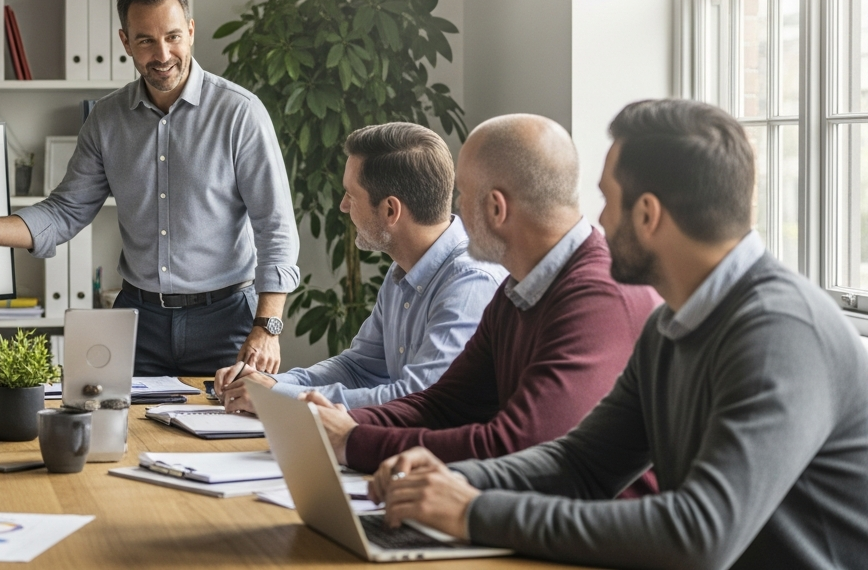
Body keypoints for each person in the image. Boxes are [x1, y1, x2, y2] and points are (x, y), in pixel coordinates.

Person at [368, 99, 868, 569]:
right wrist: (449, 479)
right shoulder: (670, 325)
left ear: (648, 215)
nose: (599, 220)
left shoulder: (781, 333)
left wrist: (472, 511)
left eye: (608, 200)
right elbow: (583, 462)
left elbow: (700, 534)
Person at [0, 0, 300, 376]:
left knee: (230, 436)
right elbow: (65, 211)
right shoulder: (106, 120)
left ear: (191, 31)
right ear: (125, 42)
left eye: (172, 36)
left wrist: (268, 326)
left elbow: (275, 226)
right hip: (138, 321)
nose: (162, 54)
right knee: (118, 434)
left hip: (226, 321)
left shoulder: (239, 113)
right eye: (146, 40)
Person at [301, 114, 659, 499]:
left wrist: (355, 441)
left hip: (587, 539)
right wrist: (344, 422)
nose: (451, 209)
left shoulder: (598, 299)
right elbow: (444, 404)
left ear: (495, 209)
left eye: (462, 194)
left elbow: (519, 445)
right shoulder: (516, 290)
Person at [215, 122, 502, 411]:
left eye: (351, 195)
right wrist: (271, 384)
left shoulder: (469, 282)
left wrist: (278, 398)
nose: (342, 206)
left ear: (391, 210)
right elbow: (358, 368)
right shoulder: (402, 272)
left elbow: (417, 399)